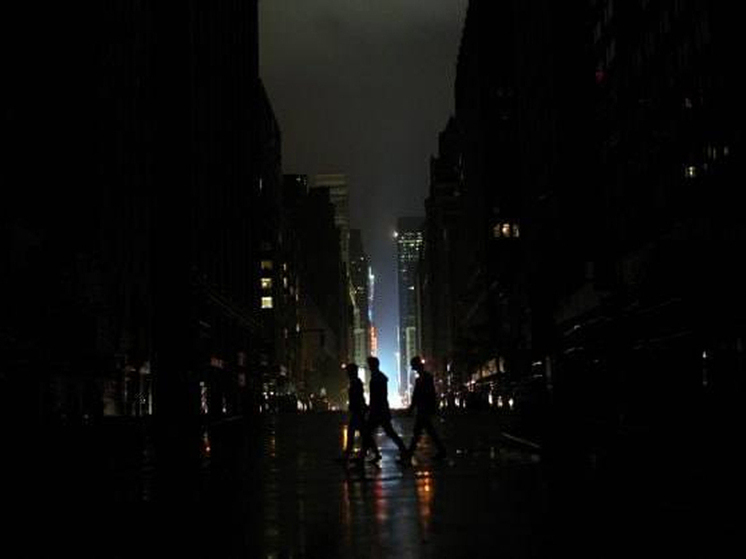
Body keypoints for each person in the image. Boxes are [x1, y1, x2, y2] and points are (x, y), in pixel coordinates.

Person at [365, 356, 409, 461]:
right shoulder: (378, 377)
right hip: (380, 410)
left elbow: (377, 396)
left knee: (370, 432)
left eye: (370, 365)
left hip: (378, 410)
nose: (369, 367)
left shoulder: (377, 378)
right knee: (386, 432)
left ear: (373, 365)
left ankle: (403, 451)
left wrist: (372, 407)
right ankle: (403, 451)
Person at [408, 356, 447, 459]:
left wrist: (412, 408)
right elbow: (417, 396)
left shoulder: (426, 378)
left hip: (424, 409)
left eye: (413, 366)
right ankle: (441, 450)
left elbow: (428, 394)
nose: (412, 368)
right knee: (427, 431)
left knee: (419, 433)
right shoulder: (421, 379)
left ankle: (408, 454)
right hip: (423, 409)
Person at [343, 362, 378, 461]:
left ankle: (347, 455)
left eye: (348, 371)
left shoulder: (356, 383)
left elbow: (358, 398)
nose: (347, 373)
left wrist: (360, 408)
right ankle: (375, 453)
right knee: (364, 434)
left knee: (353, 433)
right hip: (358, 411)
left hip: (357, 412)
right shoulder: (355, 382)